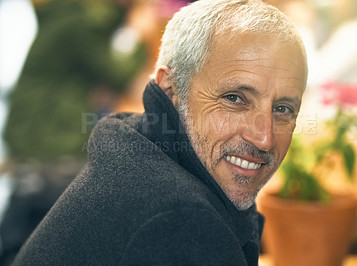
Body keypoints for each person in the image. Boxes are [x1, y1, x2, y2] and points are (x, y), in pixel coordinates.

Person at [12, 0, 307, 265]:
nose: (264, 137)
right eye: (234, 99)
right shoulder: (181, 221)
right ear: (170, 89)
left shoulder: (137, 154)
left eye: (282, 109)